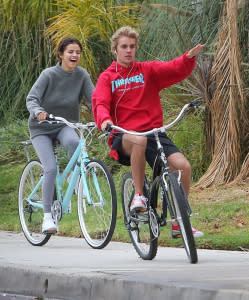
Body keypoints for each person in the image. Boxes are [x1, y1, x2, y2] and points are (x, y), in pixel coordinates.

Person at [92, 26, 205, 238]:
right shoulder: (107, 77)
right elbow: (100, 102)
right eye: (124, 47)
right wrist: (105, 120)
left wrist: (187, 58)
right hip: (124, 134)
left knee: (183, 167)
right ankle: (139, 195)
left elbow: (172, 69)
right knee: (138, 141)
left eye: (132, 46)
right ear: (115, 50)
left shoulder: (147, 70)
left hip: (153, 132)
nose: (128, 51)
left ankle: (179, 221)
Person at [26, 37, 94, 234]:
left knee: (75, 142)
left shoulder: (82, 75)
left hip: (64, 125)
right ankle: (47, 218)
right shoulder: (48, 75)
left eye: (77, 52)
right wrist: (38, 111)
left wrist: (102, 116)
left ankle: (74, 176)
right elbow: (32, 98)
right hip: (41, 127)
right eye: (70, 52)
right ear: (61, 55)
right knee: (50, 168)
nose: (75, 55)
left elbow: (93, 100)